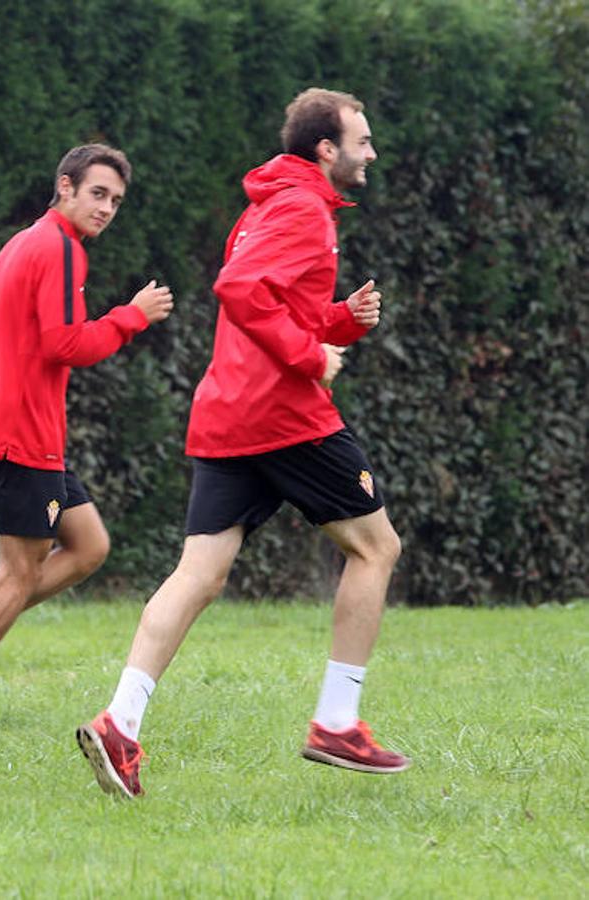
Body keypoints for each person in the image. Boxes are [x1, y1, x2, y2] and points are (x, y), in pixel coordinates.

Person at [77, 87, 406, 799]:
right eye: (363, 140)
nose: (372, 152)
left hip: (228, 414)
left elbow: (278, 301)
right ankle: (337, 722)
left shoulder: (269, 202)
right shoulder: (299, 207)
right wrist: (309, 356)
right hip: (283, 416)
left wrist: (339, 322)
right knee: (377, 548)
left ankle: (119, 725)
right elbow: (240, 288)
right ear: (327, 148)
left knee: (200, 573)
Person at [0, 145, 174, 731]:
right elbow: (66, 344)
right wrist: (131, 315)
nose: (106, 209)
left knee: (88, 545)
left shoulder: (22, 245)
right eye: (98, 194)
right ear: (66, 187)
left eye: (116, 201)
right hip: (21, 432)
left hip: (18, 427)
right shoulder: (59, 250)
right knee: (19, 572)